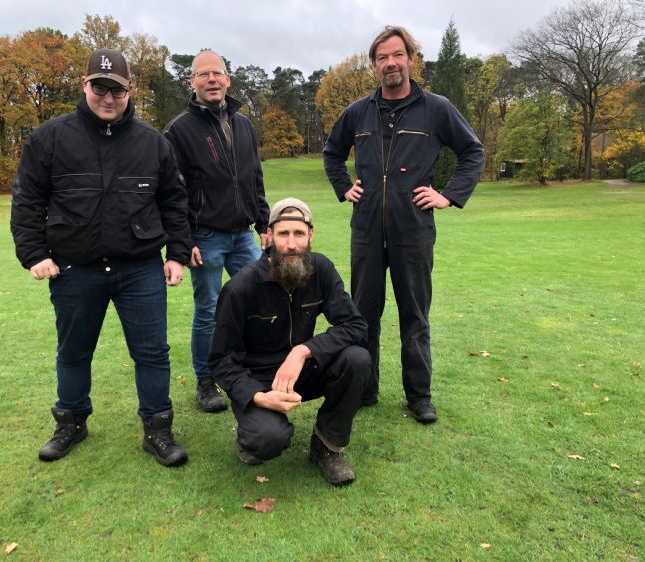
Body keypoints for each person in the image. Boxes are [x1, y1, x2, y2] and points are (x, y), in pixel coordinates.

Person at [10, 48, 192, 467]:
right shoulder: (50, 138)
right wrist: (35, 253)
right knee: (73, 352)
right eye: (99, 87)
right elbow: (27, 201)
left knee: (152, 353)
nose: (108, 97)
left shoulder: (154, 143)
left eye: (118, 89)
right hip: (75, 268)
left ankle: (158, 430)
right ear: (84, 85)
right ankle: (71, 423)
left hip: (140, 267)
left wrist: (177, 255)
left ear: (131, 89)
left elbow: (175, 203)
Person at [322, 26, 484, 423]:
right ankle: (364, 387)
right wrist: (345, 188)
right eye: (382, 57)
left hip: (413, 233)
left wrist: (447, 195)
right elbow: (331, 152)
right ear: (374, 64)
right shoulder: (358, 112)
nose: (390, 63)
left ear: (411, 58)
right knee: (363, 315)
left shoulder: (437, 108)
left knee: (415, 317)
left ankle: (419, 396)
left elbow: (472, 152)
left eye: (397, 55)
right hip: (366, 234)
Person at [209, 198, 370, 486]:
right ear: (269, 237)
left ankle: (327, 447)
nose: (292, 244)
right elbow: (221, 360)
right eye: (283, 234)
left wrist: (304, 351)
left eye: (298, 233)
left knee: (357, 359)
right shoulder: (240, 287)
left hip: (302, 372)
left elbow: (356, 325)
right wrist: (256, 396)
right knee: (268, 440)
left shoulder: (320, 269)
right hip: (259, 381)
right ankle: (251, 437)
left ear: (311, 234)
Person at [164, 50, 269, 414]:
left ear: (228, 80)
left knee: (258, 299)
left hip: (243, 234)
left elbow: (254, 177)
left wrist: (263, 223)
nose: (211, 79)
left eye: (217, 73)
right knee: (208, 310)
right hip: (204, 236)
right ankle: (206, 381)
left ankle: (253, 369)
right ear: (191, 82)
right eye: (203, 74)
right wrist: (182, 242)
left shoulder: (244, 125)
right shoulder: (178, 130)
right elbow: (172, 192)